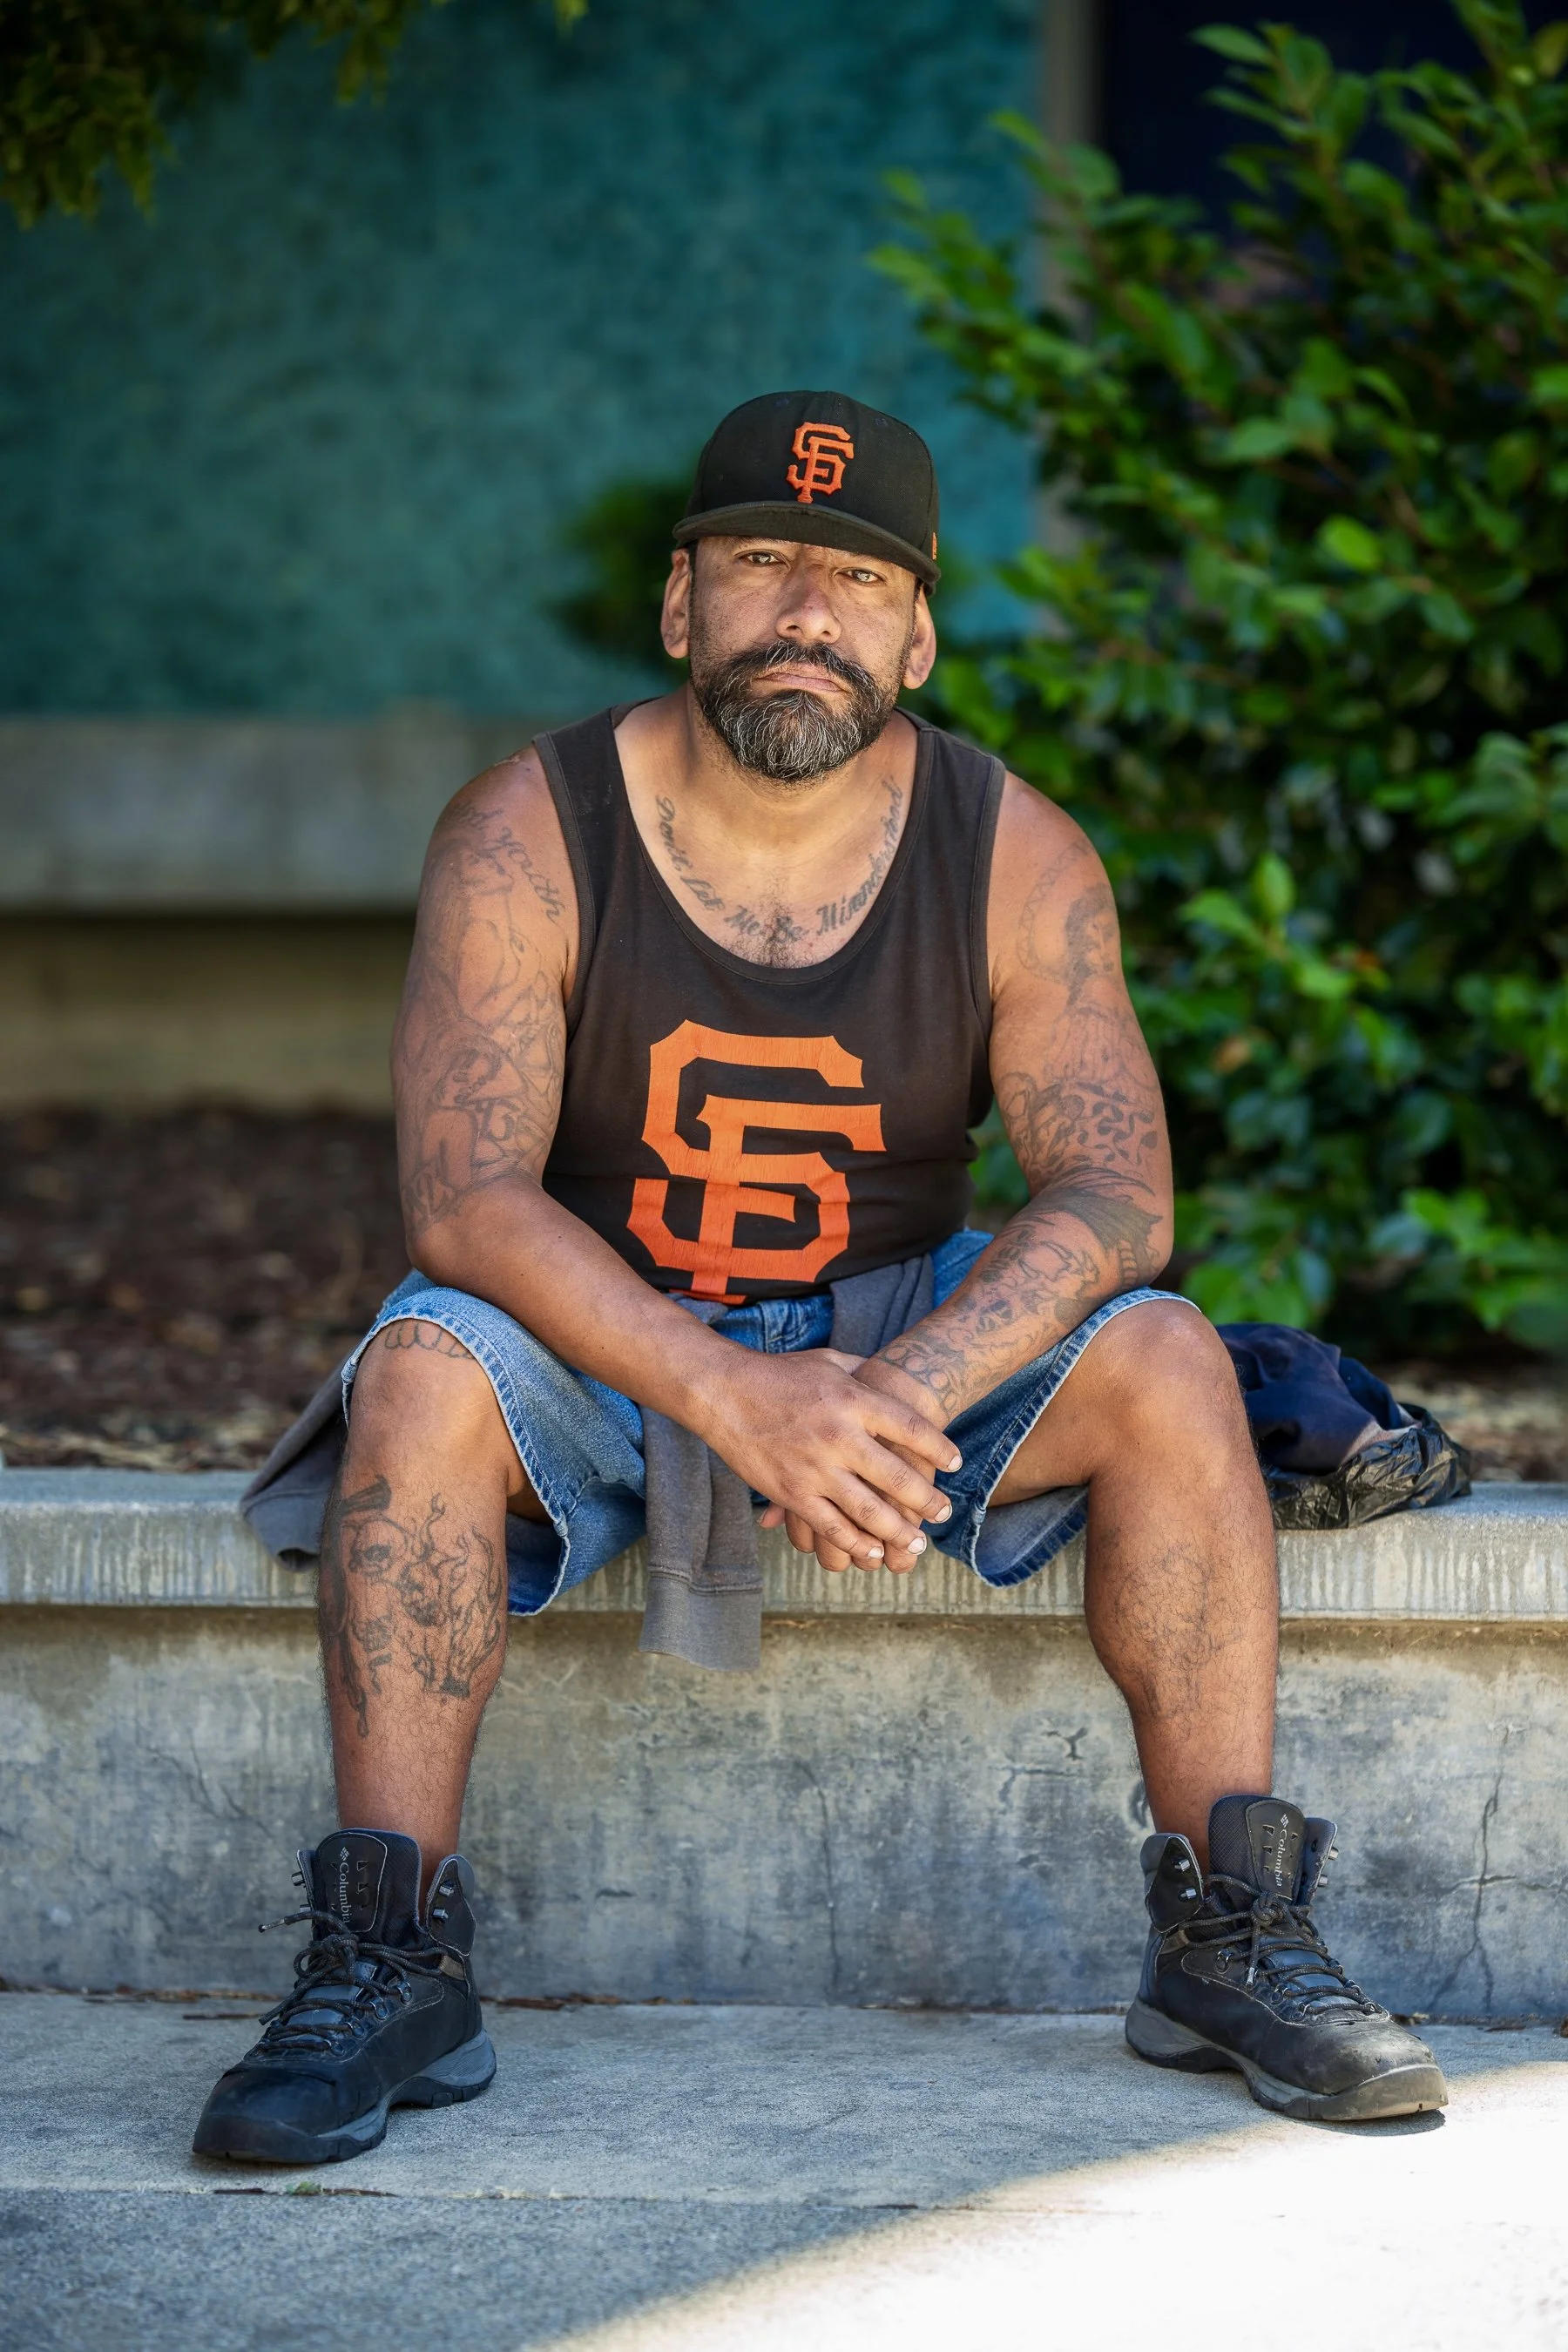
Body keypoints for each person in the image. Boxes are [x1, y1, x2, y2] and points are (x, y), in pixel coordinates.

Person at [196, 392, 1445, 2166]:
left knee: (1165, 1361)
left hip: (888, 1332)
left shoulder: (1015, 849)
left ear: (918, 632)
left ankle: (1228, 1941)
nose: (806, 613)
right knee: (420, 1368)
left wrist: (898, 1395)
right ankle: (388, 1959)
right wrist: (734, 1394)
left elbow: (1115, 1189)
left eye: (855, 581)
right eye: (762, 565)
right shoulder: (529, 829)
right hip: (607, 1329)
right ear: (680, 603)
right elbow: (467, 1200)